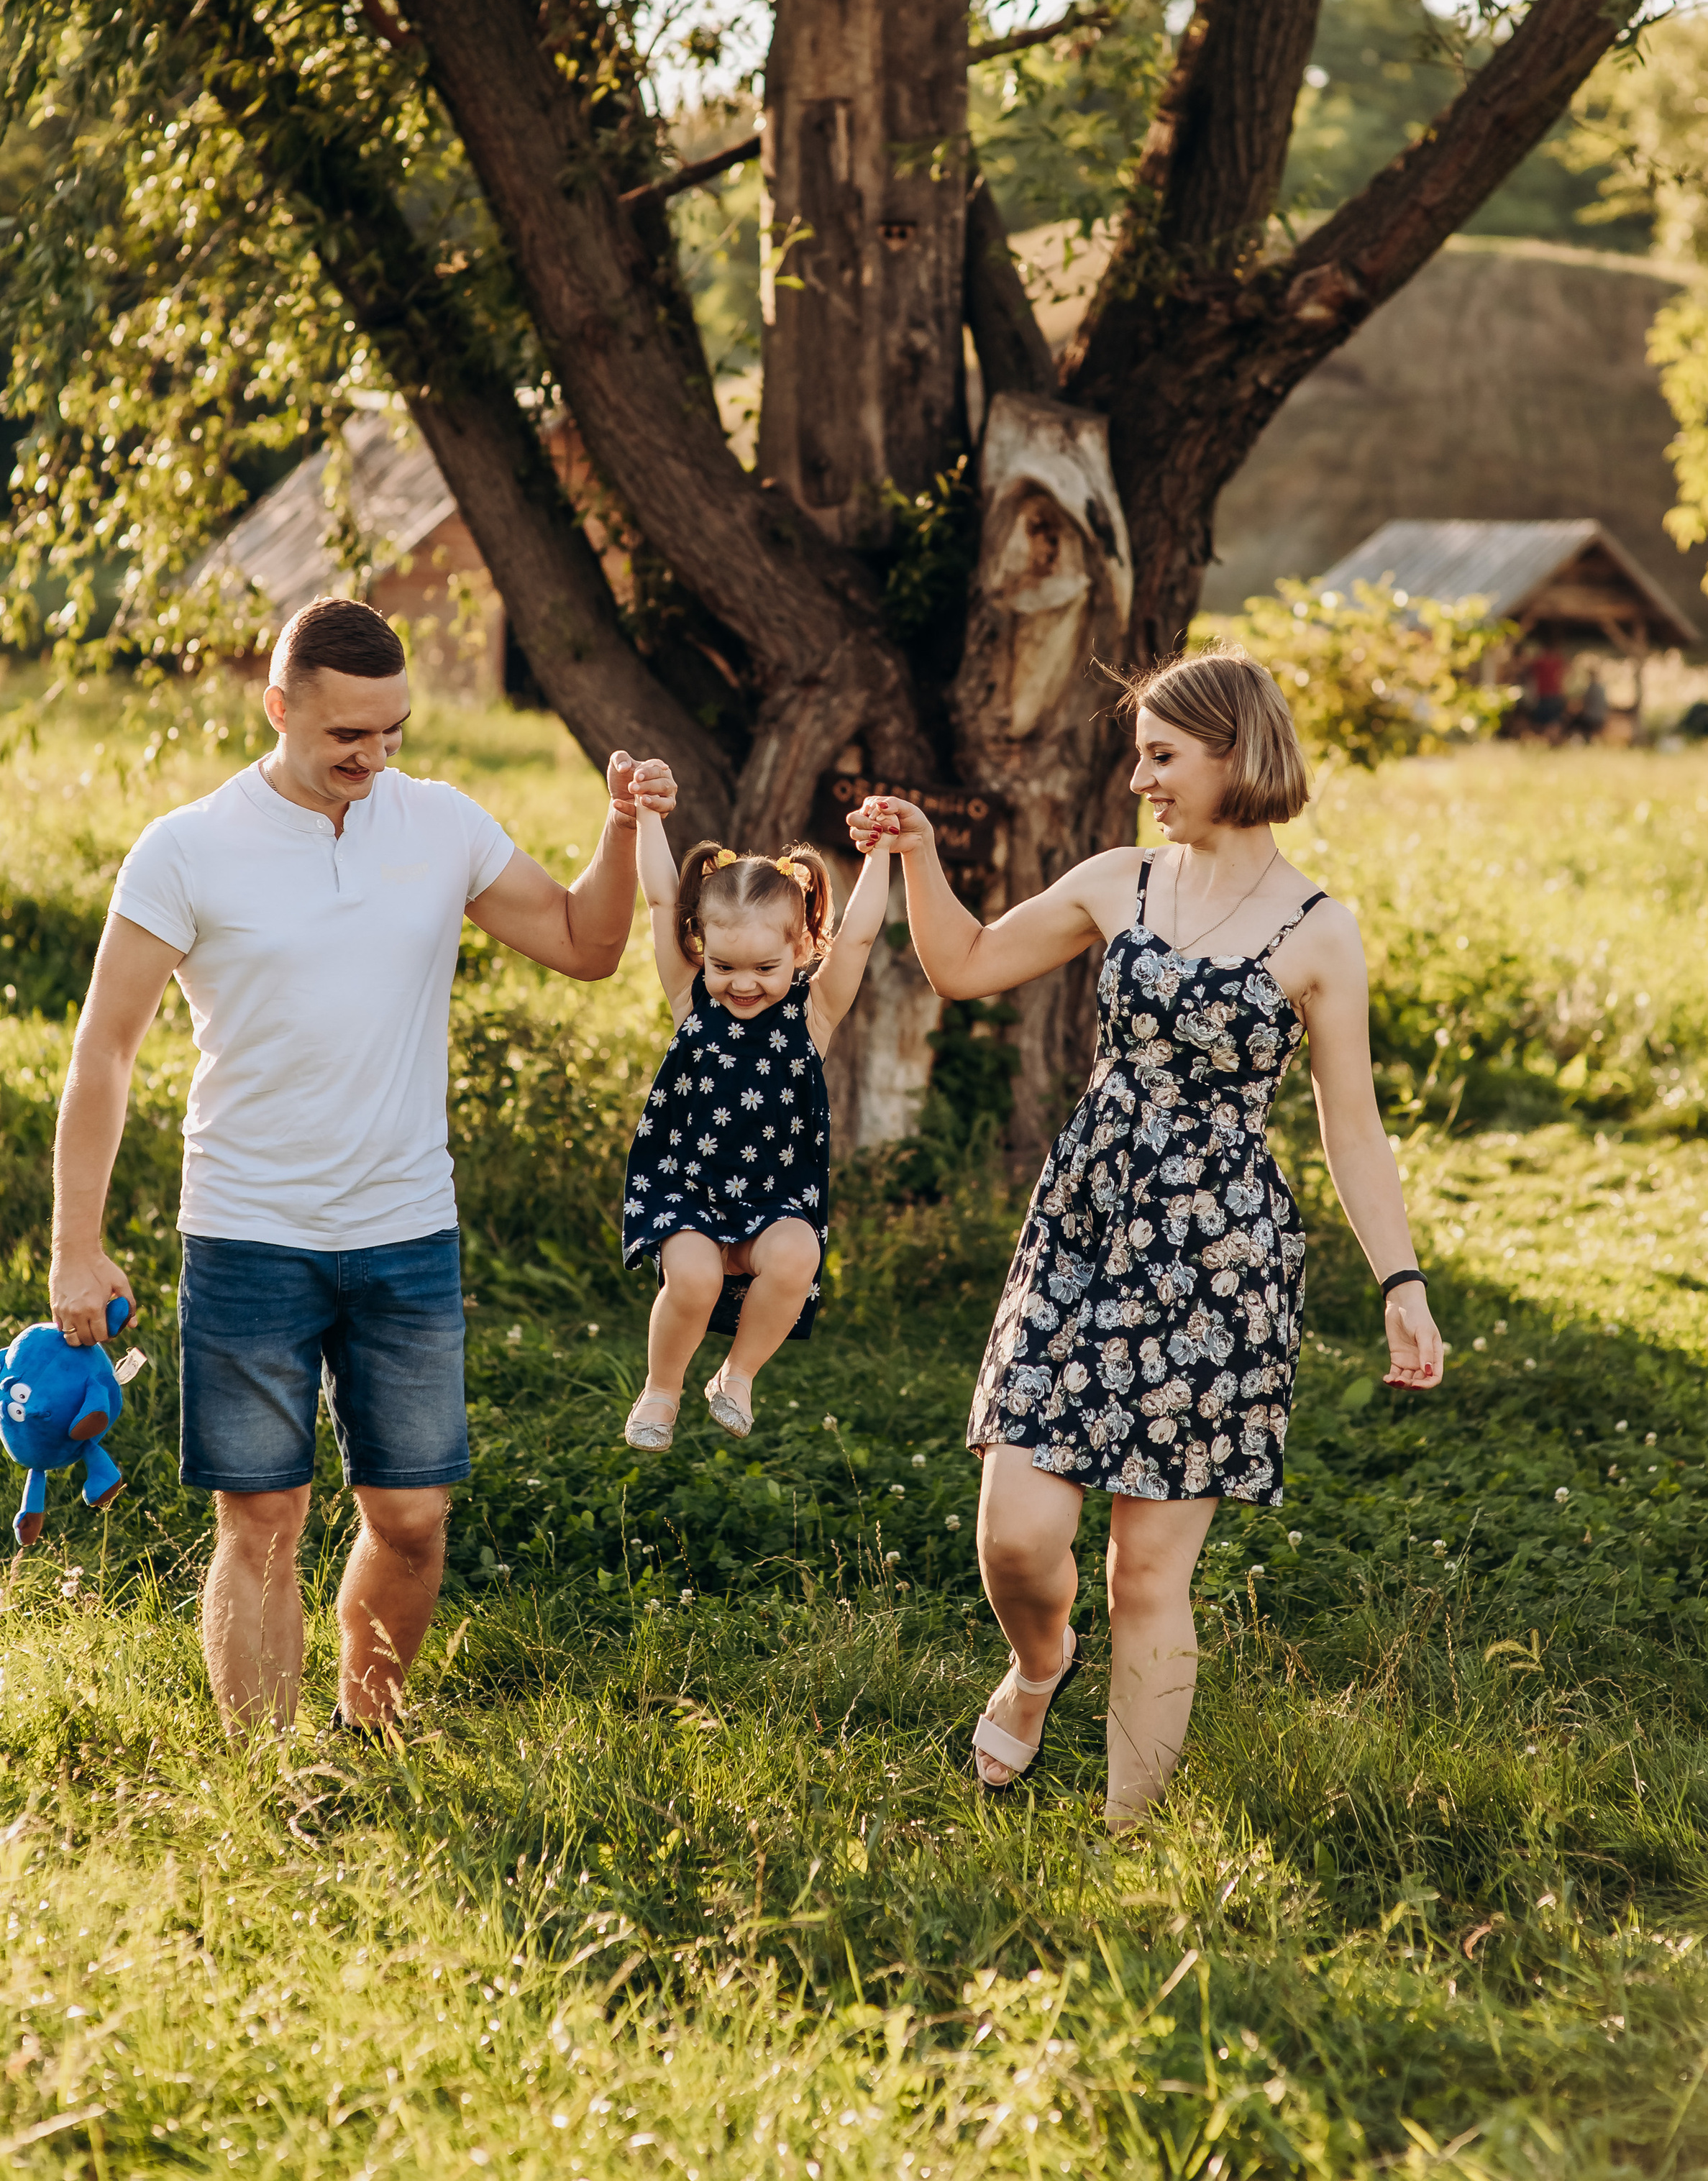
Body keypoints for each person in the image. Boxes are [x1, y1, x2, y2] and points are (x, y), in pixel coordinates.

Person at [49, 594, 675, 1739]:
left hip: (404, 1230)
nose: (373, 758)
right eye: (348, 735)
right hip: (246, 1229)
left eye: (392, 732)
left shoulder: (438, 824)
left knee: (413, 1514)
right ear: (280, 706)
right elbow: (104, 1049)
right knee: (264, 1518)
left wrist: (623, 830)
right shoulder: (189, 847)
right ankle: (266, 1771)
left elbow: (587, 946)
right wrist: (76, 1246)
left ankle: (367, 1726)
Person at [851, 646, 1444, 1825]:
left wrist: (1403, 1280)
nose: (1142, 776)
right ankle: (1036, 1665)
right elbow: (963, 965)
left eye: (1163, 753)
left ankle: (1131, 1843)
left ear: (1237, 753)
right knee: (1019, 1532)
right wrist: (919, 854)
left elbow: (1354, 1128)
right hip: (1081, 1226)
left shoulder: (1319, 932)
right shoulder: (1118, 879)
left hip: (1219, 1265)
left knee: (1148, 1573)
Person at [620, 805, 892, 1449]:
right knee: (693, 1277)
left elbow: (855, 937)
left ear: (801, 948)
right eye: (724, 966)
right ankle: (662, 1387)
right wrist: (647, 815)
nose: (742, 985)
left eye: (765, 969)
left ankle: (736, 1377)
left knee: (798, 1254)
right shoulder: (693, 1001)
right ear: (701, 948)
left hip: (775, 1197)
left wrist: (883, 853)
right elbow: (661, 900)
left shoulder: (813, 1014)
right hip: (689, 1191)